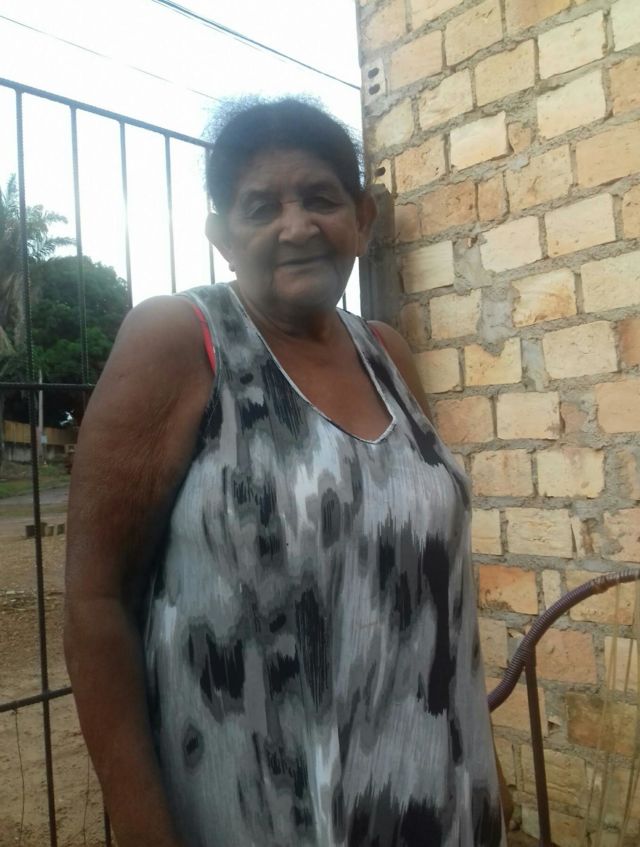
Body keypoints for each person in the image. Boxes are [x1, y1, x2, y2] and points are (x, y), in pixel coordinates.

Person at [64, 97, 505, 847]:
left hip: (442, 797)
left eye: (320, 198)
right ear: (222, 236)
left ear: (362, 218)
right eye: (261, 206)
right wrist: (142, 827)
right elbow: (96, 600)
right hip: (267, 810)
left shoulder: (389, 355)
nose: (296, 226)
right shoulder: (181, 341)